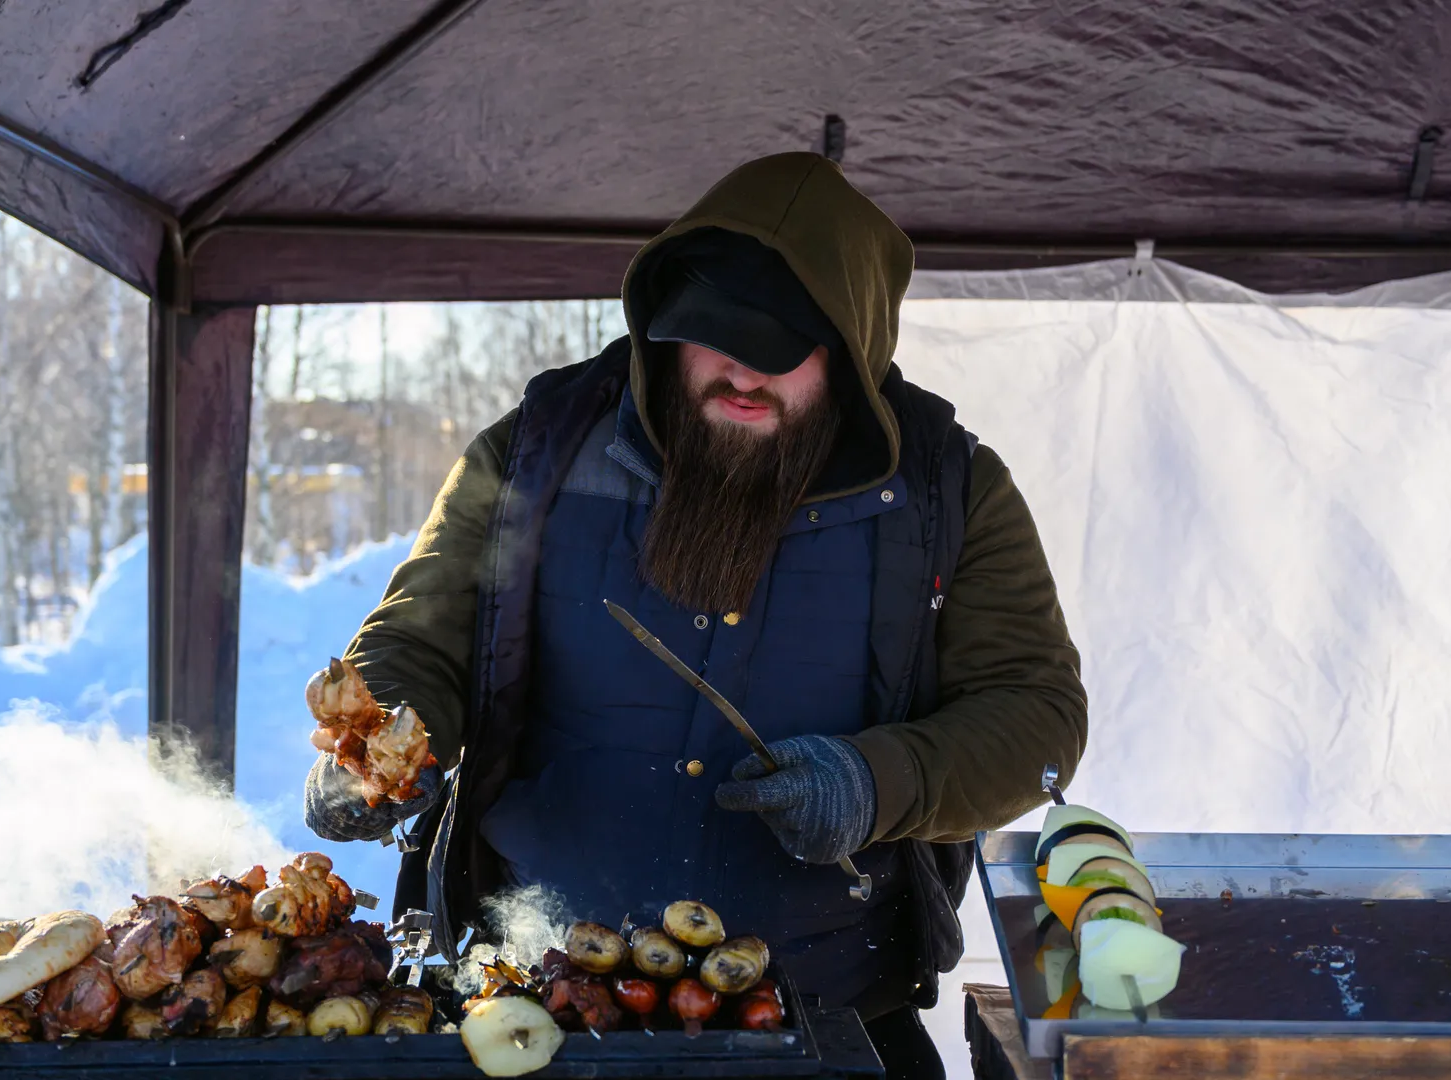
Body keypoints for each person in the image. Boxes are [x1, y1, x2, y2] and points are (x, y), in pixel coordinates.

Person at [303, 152, 1086, 1076]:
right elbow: (414, 641)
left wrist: (880, 782)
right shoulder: (534, 455)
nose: (745, 372)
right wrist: (380, 742)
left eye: (785, 345)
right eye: (718, 334)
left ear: (855, 346)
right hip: (524, 1005)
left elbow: (1038, 715)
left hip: (824, 1012)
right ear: (665, 324)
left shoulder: (952, 496)